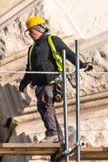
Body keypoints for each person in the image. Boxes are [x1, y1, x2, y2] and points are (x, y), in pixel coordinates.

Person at [16, 16, 85, 147]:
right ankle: (57, 137)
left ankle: (52, 133)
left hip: (52, 82)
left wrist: (80, 65)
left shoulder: (52, 40)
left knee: (45, 105)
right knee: (45, 108)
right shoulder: (32, 49)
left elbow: (69, 54)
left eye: (31, 31)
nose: (30, 34)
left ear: (38, 29)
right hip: (41, 85)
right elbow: (29, 68)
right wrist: (24, 83)